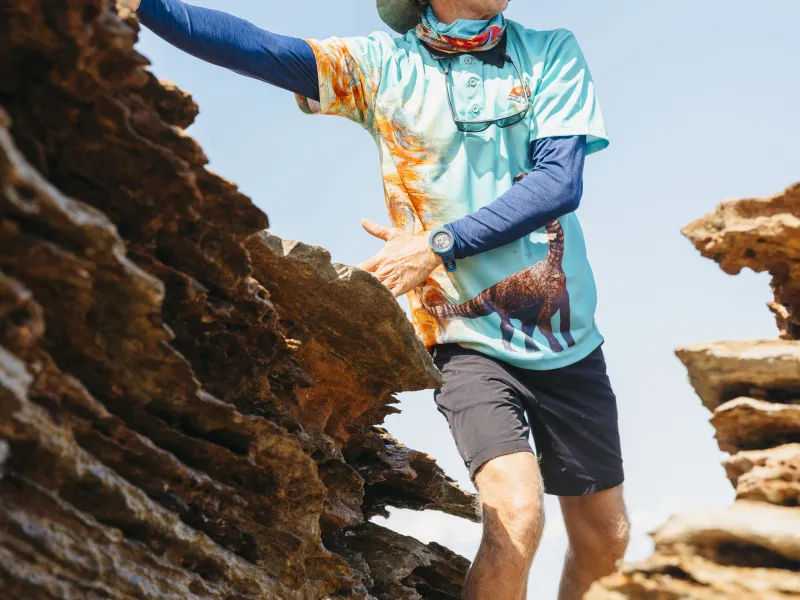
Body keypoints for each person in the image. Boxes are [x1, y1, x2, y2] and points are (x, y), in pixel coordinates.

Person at [126, 0, 630, 597]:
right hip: (461, 337)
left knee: (607, 538)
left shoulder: (549, 52)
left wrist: (436, 245)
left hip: (567, 338)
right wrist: (148, 5)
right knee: (516, 514)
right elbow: (261, 48)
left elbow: (558, 182)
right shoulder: (381, 65)